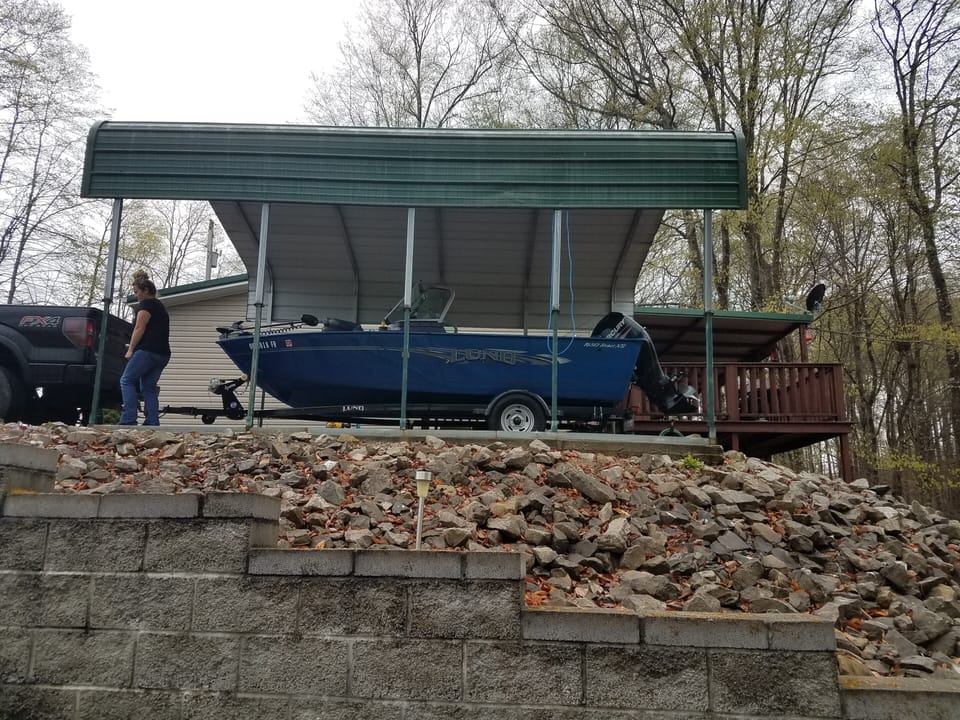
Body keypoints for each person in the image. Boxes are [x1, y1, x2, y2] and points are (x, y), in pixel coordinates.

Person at [119, 270, 171, 426]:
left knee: (126, 380)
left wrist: (131, 349)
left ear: (146, 290)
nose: (136, 296)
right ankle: (152, 422)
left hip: (148, 351)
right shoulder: (161, 307)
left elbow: (139, 328)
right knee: (148, 387)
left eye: (137, 292)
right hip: (163, 354)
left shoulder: (147, 304)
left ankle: (128, 419)